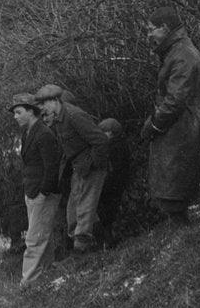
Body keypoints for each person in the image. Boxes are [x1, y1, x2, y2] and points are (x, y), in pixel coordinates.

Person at [141, 6, 200, 225]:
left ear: (165, 28)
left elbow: (175, 100)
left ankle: (180, 229)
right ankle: (178, 227)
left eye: (151, 29)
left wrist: (154, 124)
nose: (149, 35)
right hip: (178, 124)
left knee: (175, 183)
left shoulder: (182, 55)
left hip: (179, 126)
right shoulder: (177, 51)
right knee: (173, 182)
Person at [35, 83, 109, 253]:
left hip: (90, 167)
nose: (42, 109)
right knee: (73, 210)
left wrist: (94, 164)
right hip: (80, 168)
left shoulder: (74, 115)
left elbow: (100, 140)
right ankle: (100, 244)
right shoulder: (59, 119)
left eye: (44, 103)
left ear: (55, 100)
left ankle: (81, 249)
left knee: (84, 207)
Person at [10, 93, 61, 291]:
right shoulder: (28, 133)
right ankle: (45, 274)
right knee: (42, 235)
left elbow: (52, 167)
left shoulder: (44, 134)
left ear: (31, 111)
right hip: (32, 192)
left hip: (43, 194)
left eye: (18, 112)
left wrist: (43, 193)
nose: (15, 117)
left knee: (34, 238)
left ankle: (28, 282)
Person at [96, 118, 132, 247]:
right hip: (116, 184)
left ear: (111, 133)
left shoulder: (113, 147)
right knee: (109, 213)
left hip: (110, 184)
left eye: (104, 132)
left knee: (106, 214)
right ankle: (108, 239)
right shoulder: (121, 145)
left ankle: (107, 240)